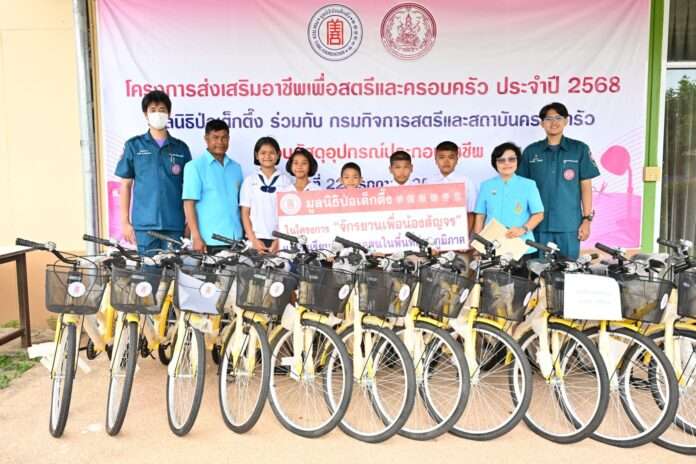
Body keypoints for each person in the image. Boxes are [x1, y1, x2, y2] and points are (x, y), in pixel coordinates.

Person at [518, 102, 600, 259]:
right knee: (537, 269)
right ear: (542, 123)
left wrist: (587, 220)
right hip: (538, 225)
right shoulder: (531, 151)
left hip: (569, 225)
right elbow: (522, 189)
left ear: (566, 121)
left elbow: (586, 187)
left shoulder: (579, 149)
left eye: (558, 118)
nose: (553, 122)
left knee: (568, 269)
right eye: (548, 119)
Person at [115, 90, 191, 255]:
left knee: (174, 269)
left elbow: (190, 189)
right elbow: (126, 185)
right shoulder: (134, 146)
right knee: (148, 270)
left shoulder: (181, 148)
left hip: (174, 224)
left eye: (162, 110)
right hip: (145, 226)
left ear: (169, 113)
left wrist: (190, 223)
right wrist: (125, 222)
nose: (158, 114)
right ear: (145, 114)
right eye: (153, 110)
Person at [182, 119, 243, 254]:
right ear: (206, 139)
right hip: (208, 241)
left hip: (236, 239)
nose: (220, 142)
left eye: (224, 138)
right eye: (215, 137)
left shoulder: (236, 168)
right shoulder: (194, 167)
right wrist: (196, 236)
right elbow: (189, 204)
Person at [473, 142, 544, 257]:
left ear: (517, 161)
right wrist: (478, 246)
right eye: (501, 160)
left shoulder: (529, 185)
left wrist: (522, 229)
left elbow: (539, 214)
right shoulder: (486, 186)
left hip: (520, 245)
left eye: (511, 159)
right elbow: (480, 216)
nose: (507, 163)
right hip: (491, 246)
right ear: (495, 163)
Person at [240, 136, 291, 253]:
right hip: (256, 239)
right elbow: (245, 213)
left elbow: (288, 215)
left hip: (279, 239)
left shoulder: (285, 181)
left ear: (278, 155)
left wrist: (280, 239)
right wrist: (253, 240)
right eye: (263, 153)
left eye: (271, 153)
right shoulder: (249, 181)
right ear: (256, 155)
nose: (267, 156)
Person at [428, 141, 478, 231]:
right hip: (433, 232)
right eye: (441, 157)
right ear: (435, 160)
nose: (446, 161)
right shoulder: (429, 183)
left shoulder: (467, 182)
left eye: (451, 157)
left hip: (459, 234)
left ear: (457, 160)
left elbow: (471, 214)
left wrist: (465, 235)